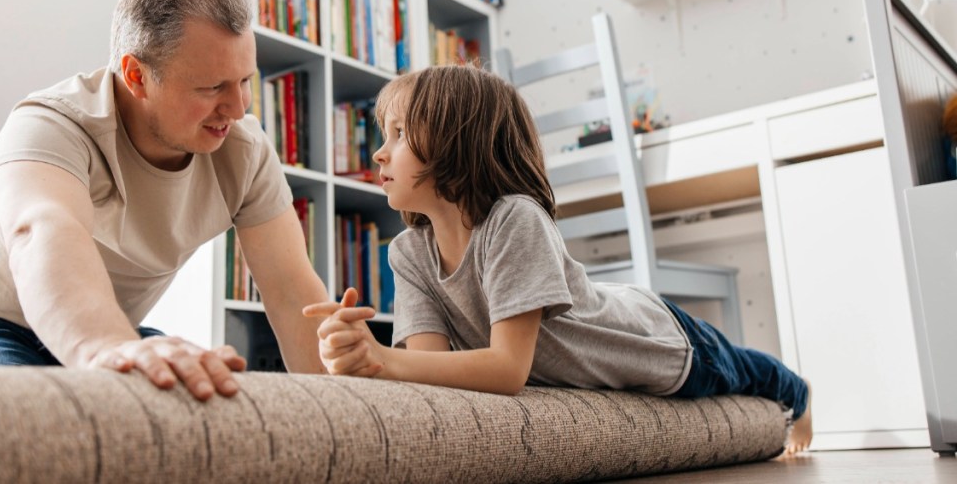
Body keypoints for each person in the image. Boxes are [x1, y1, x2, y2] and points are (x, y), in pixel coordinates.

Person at [303, 64, 814, 455]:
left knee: (741, 370)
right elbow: (436, 370)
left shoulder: (513, 220)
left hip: (655, 339)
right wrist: (361, 357)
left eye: (398, 134)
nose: (379, 153)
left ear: (457, 142)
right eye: (383, 135)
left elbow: (507, 370)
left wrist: (381, 359)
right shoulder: (408, 254)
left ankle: (800, 389)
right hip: (604, 324)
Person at [0, 0, 329, 401]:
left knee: (206, 411)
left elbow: (293, 292)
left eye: (244, 81)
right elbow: (43, 230)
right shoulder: (52, 123)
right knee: (10, 416)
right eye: (212, 87)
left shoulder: (245, 151)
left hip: (111, 328)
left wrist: (342, 408)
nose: (237, 108)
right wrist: (108, 349)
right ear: (137, 76)